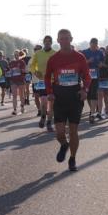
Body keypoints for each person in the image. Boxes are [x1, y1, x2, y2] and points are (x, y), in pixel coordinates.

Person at [44, 29, 91, 172]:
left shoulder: (79, 57)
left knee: (73, 131)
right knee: (59, 133)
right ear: (58, 41)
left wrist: (85, 90)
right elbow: (47, 77)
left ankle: (72, 159)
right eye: (62, 39)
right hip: (59, 97)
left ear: (71, 39)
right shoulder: (53, 59)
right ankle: (64, 145)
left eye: (67, 38)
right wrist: (49, 92)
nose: (64, 41)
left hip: (74, 97)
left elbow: (87, 77)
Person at [29, 36, 57, 131]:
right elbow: (32, 65)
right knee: (44, 101)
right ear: (44, 42)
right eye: (46, 41)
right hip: (42, 81)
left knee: (51, 103)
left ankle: (49, 122)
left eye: (49, 41)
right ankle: (43, 117)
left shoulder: (55, 53)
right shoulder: (38, 53)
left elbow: (59, 66)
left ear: (51, 43)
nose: (48, 43)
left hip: (53, 81)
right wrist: (35, 72)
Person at [81, 37, 104, 124]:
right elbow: (81, 64)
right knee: (88, 95)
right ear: (90, 44)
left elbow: (102, 62)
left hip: (95, 76)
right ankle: (93, 110)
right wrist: (88, 61)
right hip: (86, 77)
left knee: (94, 94)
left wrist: (101, 64)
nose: (94, 45)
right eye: (93, 43)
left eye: (96, 44)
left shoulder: (100, 53)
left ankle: (92, 114)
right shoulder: (85, 52)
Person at [6, 50, 27, 115]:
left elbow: (25, 71)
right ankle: (15, 110)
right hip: (13, 80)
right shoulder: (11, 62)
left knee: (21, 95)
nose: (16, 56)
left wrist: (19, 70)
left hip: (20, 80)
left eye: (17, 54)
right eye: (15, 55)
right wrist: (8, 72)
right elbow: (8, 71)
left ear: (19, 55)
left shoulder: (22, 62)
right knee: (14, 95)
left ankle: (22, 107)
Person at [97, 50, 108, 119]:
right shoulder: (97, 59)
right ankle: (99, 112)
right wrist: (98, 66)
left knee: (106, 96)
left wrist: (103, 65)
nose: (102, 54)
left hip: (106, 79)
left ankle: (106, 109)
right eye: (101, 53)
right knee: (100, 96)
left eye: (103, 52)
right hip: (99, 79)